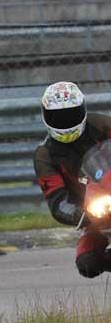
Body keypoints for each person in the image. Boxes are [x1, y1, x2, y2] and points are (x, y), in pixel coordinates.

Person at [33, 81, 111, 278]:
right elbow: (57, 201)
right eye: (58, 117)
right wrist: (80, 214)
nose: (65, 121)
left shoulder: (102, 125)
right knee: (87, 263)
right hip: (95, 212)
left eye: (70, 114)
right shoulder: (45, 155)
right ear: (46, 116)